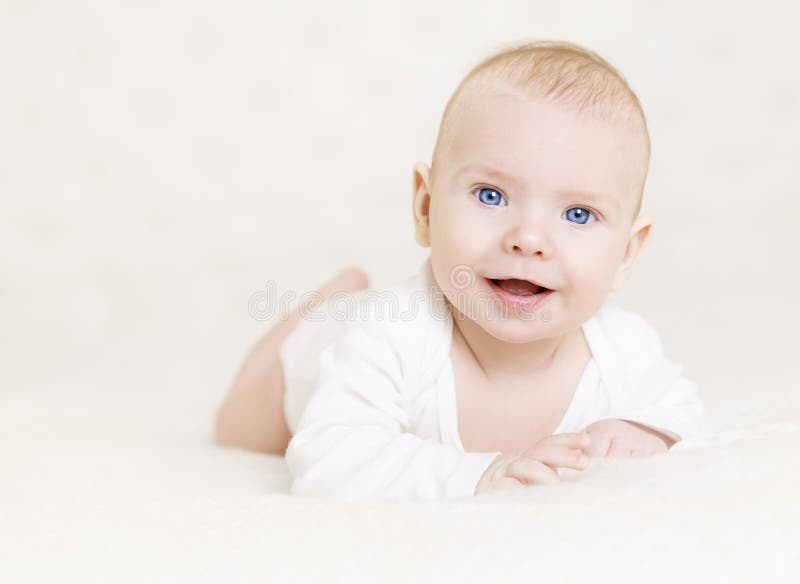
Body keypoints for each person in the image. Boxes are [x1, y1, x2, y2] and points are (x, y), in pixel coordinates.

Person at [214, 39, 705, 502]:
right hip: (309, 359)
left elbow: (680, 409)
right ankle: (321, 306)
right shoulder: (386, 337)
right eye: (491, 195)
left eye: (578, 214)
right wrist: (476, 476)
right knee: (237, 432)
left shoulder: (623, 349)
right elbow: (330, 462)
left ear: (626, 254)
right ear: (425, 207)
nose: (528, 239)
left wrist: (644, 431)